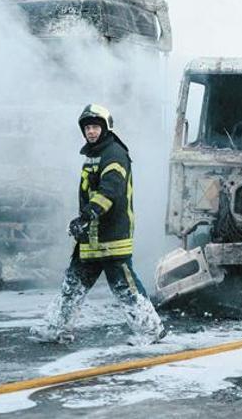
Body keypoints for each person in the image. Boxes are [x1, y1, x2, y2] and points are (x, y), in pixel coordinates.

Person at [31, 104, 164, 345]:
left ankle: (151, 331)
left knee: (126, 289)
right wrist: (85, 222)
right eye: (88, 127)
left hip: (112, 237)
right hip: (91, 238)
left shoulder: (114, 154)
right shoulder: (94, 154)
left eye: (95, 127)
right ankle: (57, 329)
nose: (91, 132)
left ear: (105, 128)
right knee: (72, 285)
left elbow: (109, 192)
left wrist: (85, 216)